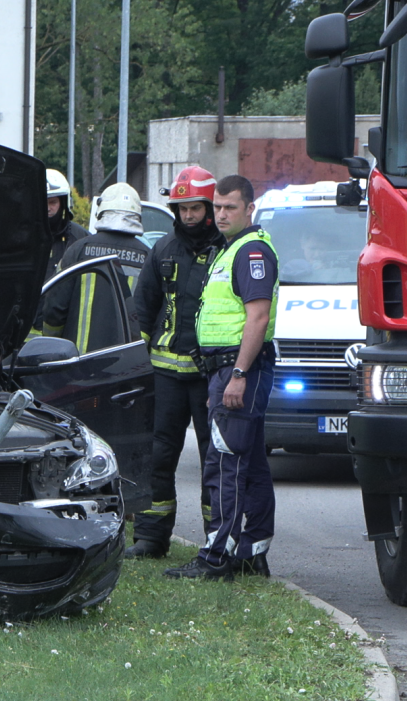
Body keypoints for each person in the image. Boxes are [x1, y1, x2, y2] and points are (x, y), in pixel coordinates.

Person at [165, 175, 279, 581]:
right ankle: (251, 551)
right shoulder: (229, 251)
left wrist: (238, 375)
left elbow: (258, 317)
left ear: (250, 208)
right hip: (226, 371)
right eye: (217, 207)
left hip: (238, 370)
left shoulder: (250, 252)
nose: (221, 214)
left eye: (230, 207)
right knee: (249, 463)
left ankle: (217, 557)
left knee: (225, 462)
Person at [126, 166, 224, 558]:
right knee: (157, 455)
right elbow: (142, 309)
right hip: (164, 374)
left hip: (207, 375)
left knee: (214, 458)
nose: (187, 217)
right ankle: (151, 538)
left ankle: (217, 536)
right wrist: (137, 365)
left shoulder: (225, 252)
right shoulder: (162, 250)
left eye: (194, 209)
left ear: (209, 207)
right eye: (181, 209)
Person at [35, 182, 150, 353]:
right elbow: (152, 314)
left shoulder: (78, 250)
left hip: (79, 363)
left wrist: (53, 344)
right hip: (127, 366)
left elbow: (55, 307)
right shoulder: (147, 256)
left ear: (101, 211)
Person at [44, 168, 87, 278]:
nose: (48, 208)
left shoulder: (80, 238)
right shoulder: (24, 237)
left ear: (63, 203)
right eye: (43, 202)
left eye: (53, 202)